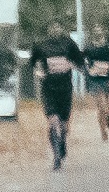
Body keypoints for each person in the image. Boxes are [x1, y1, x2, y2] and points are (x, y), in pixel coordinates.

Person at [29, 24, 84, 169]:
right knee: (53, 121)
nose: (55, 29)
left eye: (58, 27)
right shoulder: (41, 46)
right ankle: (56, 156)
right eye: (52, 27)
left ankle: (63, 141)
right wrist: (39, 71)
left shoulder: (69, 44)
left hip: (65, 88)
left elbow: (80, 61)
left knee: (64, 124)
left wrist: (72, 65)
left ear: (61, 28)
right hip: (48, 88)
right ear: (48, 29)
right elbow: (33, 63)